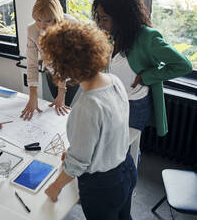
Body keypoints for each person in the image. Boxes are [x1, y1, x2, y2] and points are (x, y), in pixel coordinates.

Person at [92, 0, 193, 167]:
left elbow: (183, 65)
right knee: (113, 149)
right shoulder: (113, 35)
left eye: (104, 19)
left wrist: (147, 76)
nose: (100, 24)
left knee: (129, 151)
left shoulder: (147, 37)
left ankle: (129, 190)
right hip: (113, 100)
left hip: (134, 105)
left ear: (122, 16)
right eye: (99, 18)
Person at [43, 21, 137, 220]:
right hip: (126, 168)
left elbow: (79, 162)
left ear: (65, 67)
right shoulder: (114, 81)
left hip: (103, 187)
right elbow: (110, 133)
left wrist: (56, 187)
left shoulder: (88, 105)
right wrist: (77, 150)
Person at [20, 0, 79, 121]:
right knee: (57, 107)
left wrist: (62, 91)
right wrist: (33, 94)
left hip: (72, 72)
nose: (42, 25)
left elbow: (66, 62)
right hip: (51, 71)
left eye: (47, 21)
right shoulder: (32, 30)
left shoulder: (70, 26)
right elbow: (32, 64)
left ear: (56, 17)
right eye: (38, 20)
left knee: (65, 108)